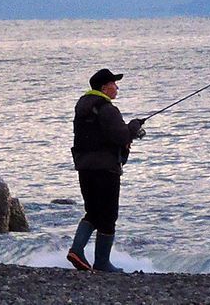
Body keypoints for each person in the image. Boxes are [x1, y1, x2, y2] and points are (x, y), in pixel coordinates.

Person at [67, 68, 145, 273]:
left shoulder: (82, 107)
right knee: (109, 215)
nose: (117, 87)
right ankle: (102, 263)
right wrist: (134, 126)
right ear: (104, 87)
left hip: (84, 167)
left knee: (93, 211)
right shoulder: (107, 109)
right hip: (105, 169)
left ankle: (76, 250)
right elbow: (121, 137)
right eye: (114, 84)